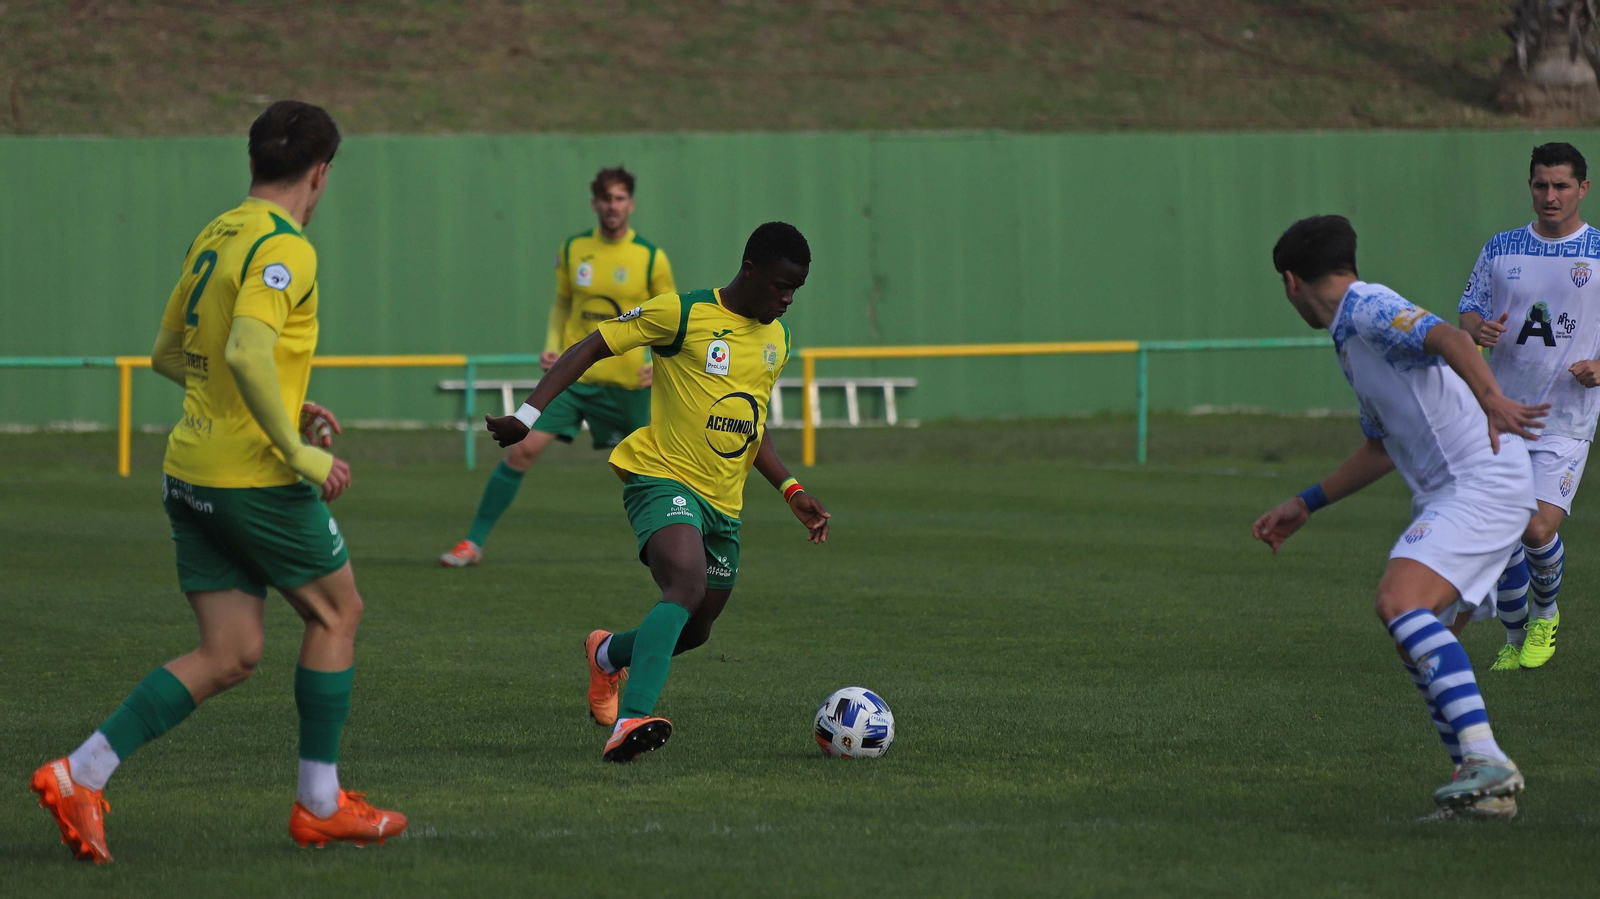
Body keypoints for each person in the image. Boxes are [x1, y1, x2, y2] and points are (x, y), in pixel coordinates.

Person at [30, 101, 405, 864]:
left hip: (191, 470)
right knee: (338, 612)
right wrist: (296, 450)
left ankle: (80, 772)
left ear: (254, 161)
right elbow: (242, 352)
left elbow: (172, 354)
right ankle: (320, 804)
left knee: (229, 651)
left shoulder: (216, 233)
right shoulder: (285, 246)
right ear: (321, 173)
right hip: (253, 478)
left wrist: (285, 402)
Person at [485, 221, 830, 761]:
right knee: (685, 585)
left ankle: (607, 654)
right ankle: (632, 719)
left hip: (724, 501)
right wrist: (527, 416)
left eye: (796, 290)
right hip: (661, 476)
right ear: (750, 270)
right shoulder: (682, 313)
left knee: (695, 629)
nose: (788, 299)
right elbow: (591, 346)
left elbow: (751, 421)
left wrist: (790, 489)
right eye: (781, 286)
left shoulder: (777, 340)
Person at [1252, 215, 1546, 818]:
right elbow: (1381, 448)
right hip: (1459, 490)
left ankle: (1486, 758)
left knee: (1398, 602)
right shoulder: (1351, 334)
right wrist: (1305, 503)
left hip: (1480, 481)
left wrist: (1492, 399)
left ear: (1291, 282)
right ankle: (1483, 795)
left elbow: (1452, 338)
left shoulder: (1367, 306)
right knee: (1418, 642)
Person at [440, 166, 674, 567]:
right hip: (574, 379)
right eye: (606, 199)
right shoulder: (573, 249)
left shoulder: (651, 258)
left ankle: (680, 552)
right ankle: (472, 543)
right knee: (522, 450)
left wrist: (659, 362)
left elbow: (667, 317)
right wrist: (553, 347)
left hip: (626, 383)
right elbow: (563, 303)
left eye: (620, 199)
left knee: (656, 470)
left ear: (631, 204)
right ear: (595, 203)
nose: (613, 206)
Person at [1459, 142, 1600, 671]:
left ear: (1583, 189)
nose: (1550, 195)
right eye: (1542, 185)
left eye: (1561, 186)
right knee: (1501, 532)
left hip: (1566, 416)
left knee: (1537, 529)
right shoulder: (1502, 248)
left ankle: (1545, 615)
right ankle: (1516, 639)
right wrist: (1478, 329)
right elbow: (1469, 309)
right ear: (1531, 187)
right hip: (1502, 412)